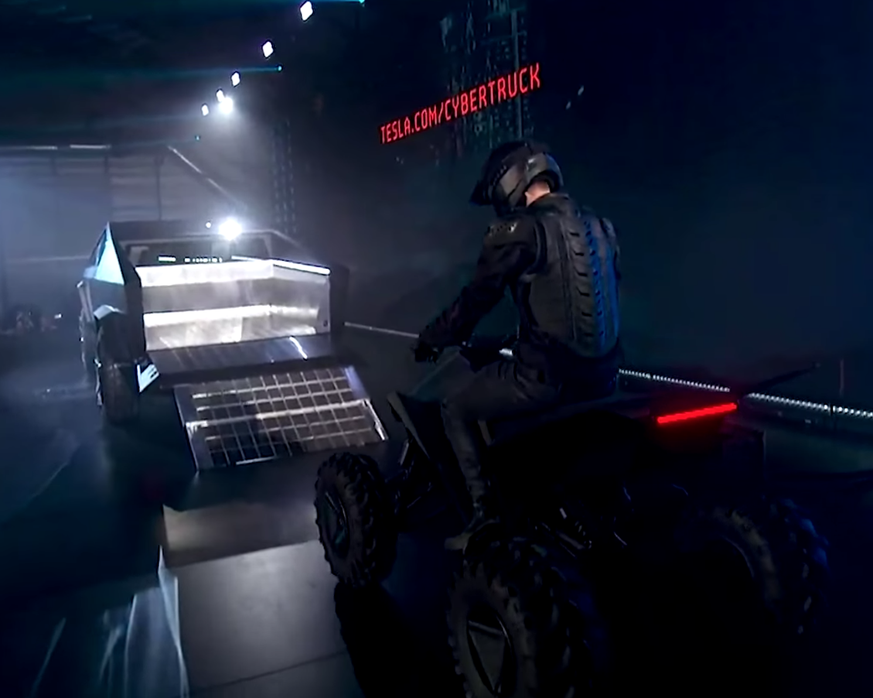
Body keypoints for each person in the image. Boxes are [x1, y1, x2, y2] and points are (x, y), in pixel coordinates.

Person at [413, 140, 622, 551]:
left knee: (454, 407)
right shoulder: (601, 226)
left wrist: (432, 338)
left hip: (544, 381)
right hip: (604, 380)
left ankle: (485, 515)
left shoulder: (521, 230)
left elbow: (476, 300)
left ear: (509, 182)